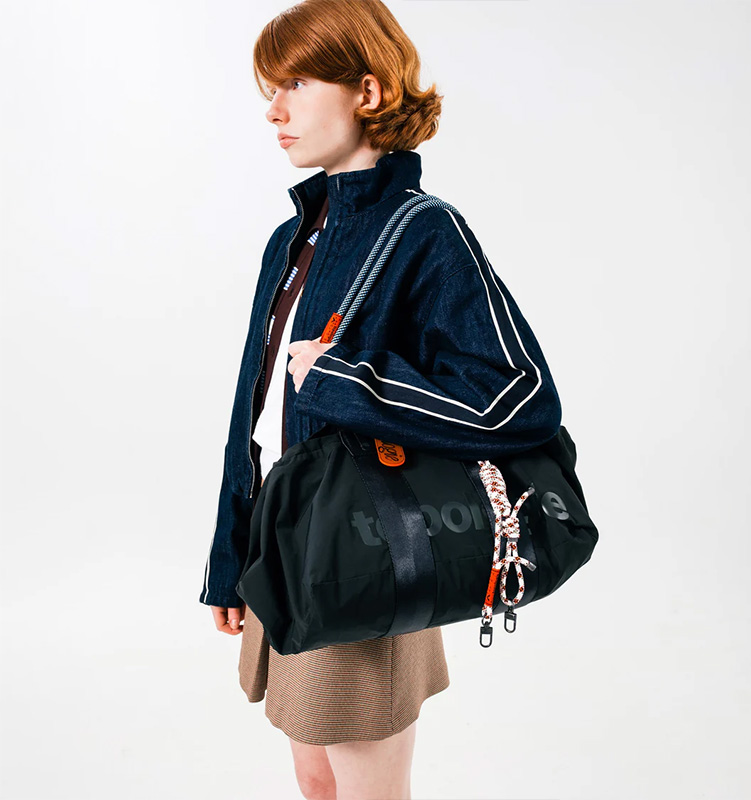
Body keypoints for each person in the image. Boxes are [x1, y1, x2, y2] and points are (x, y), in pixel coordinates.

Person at [200, 1, 562, 798]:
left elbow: (520, 397)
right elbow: (252, 409)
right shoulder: (294, 237)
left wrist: (350, 381)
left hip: (363, 550)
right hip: (285, 548)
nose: (274, 110)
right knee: (314, 776)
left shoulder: (426, 232)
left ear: (366, 91)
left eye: (297, 84)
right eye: (270, 88)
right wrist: (230, 556)